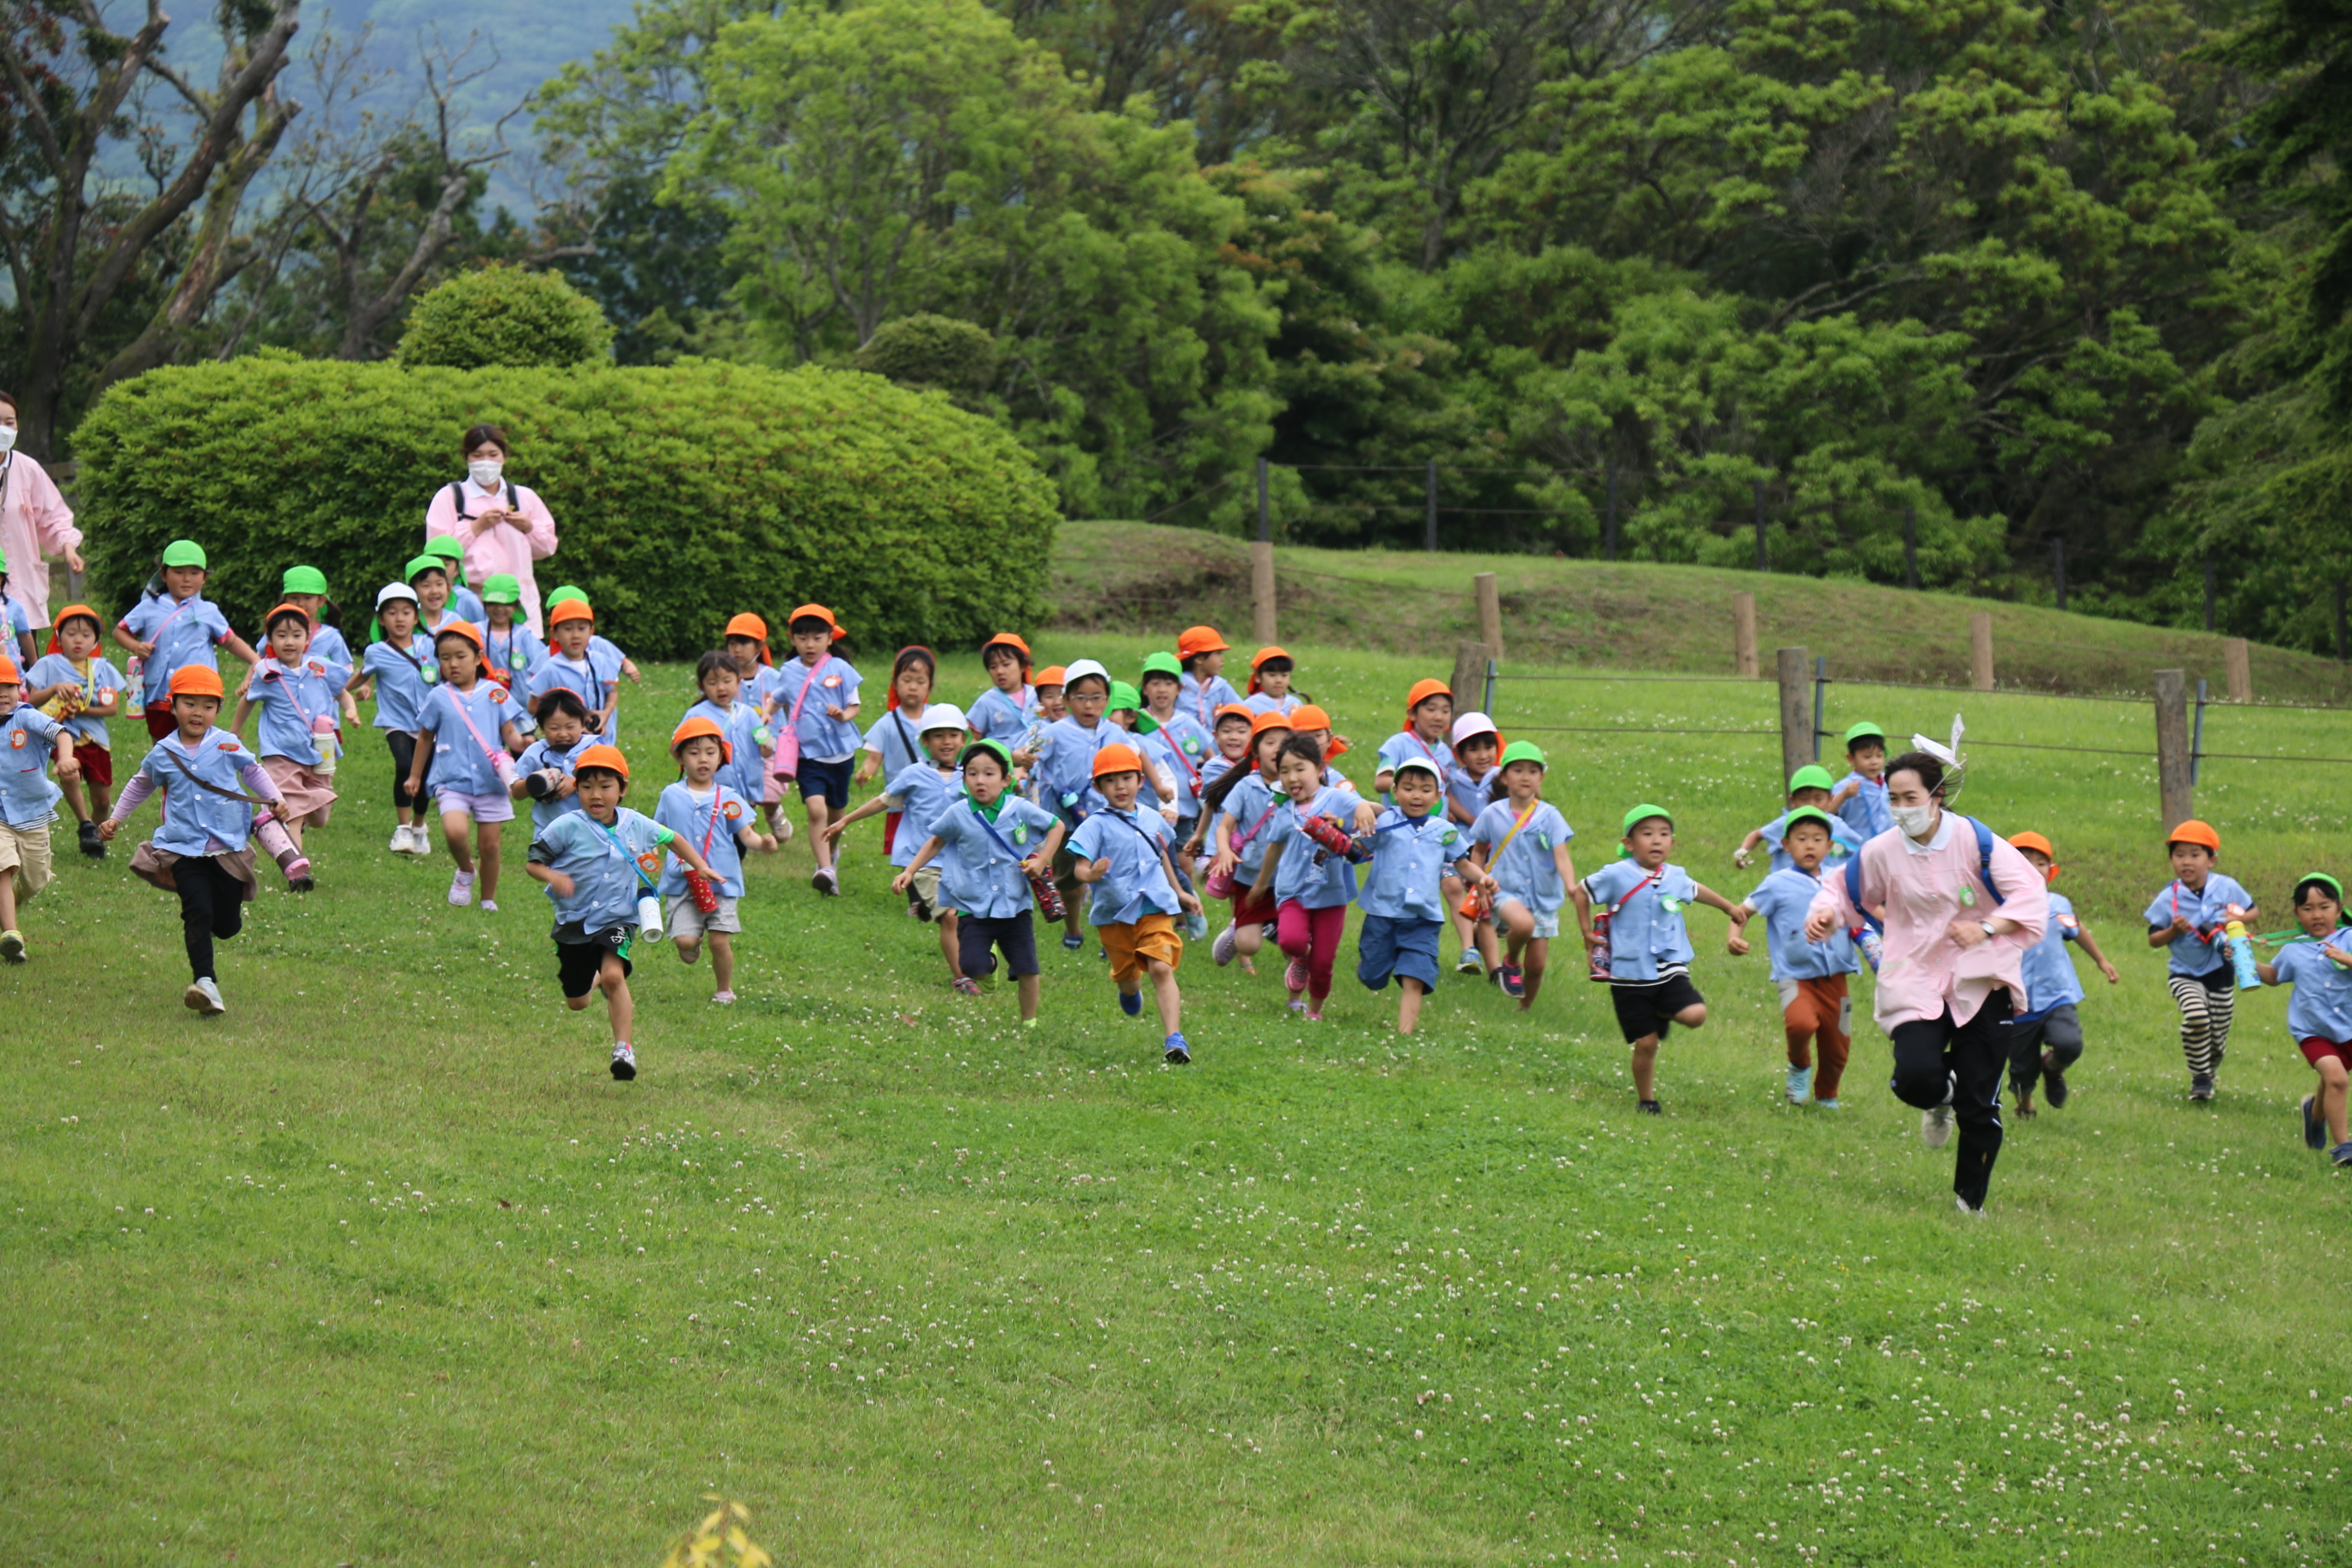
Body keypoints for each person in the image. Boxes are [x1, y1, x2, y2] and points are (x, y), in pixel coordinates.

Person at [1804, 750, 2048, 1215]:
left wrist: (1988, 927)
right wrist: (1825, 914)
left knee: (1980, 1103)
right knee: (1914, 1079)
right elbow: (1841, 888)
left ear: (1936, 797)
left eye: (1910, 797)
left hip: (1982, 979)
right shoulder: (1882, 851)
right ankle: (1940, 1096)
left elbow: (2030, 893)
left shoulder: (1977, 843)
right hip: (1914, 975)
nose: (1901, 808)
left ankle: (1968, 1204)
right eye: (1893, 799)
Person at [524, 744, 719, 1081]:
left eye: (605, 786)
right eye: (586, 787)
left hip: (619, 917)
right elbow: (533, 863)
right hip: (574, 921)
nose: (595, 795)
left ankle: (623, 1051)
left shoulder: (636, 824)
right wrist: (553, 875)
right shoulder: (566, 826)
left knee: (615, 975)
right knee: (578, 1002)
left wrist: (700, 865)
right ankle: (593, 976)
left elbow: (672, 838)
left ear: (622, 789)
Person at [99, 666, 285, 1014]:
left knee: (226, 926)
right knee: (196, 911)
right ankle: (205, 983)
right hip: (182, 848)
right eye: (189, 703)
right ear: (172, 706)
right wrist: (115, 818)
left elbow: (252, 770)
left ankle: (218, 932)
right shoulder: (164, 752)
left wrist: (275, 797)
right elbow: (141, 783)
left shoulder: (227, 743)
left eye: (207, 705)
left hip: (226, 848)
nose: (197, 712)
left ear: (217, 709)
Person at [1583, 803, 1745, 1113]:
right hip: (1628, 973)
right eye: (1647, 834)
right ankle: (1647, 1100)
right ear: (1628, 844)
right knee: (1646, 1045)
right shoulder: (1616, 875)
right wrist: (1585, 932)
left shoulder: (1675, 876)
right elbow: (1581, 892)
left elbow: (1696, 890)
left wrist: (1728, 907)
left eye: (1664, 834)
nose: (1656, 840)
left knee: (1696, 1014)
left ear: (1673, 842)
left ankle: (1662, 1008)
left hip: (1669, 964)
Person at [898, 738, 1067, 1025]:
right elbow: (937, 840)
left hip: (1015, 905)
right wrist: (910, 871)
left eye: (989, 774)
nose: (980, 780)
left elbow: (1056, 826)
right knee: (970, 966)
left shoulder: (1020, 809)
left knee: (1028, 968)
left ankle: (1029, 1021)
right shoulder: (959, 813)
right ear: (964, 780)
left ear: (1006, 780)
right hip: (972, 905)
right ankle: (991, 964)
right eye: (972, 773)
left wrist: (1042, 860)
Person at [1068, 741, 1201, 1061]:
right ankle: (1129, 988)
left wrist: (1181, 893)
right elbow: (1079, 868)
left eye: (1126, 778)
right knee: (1129, 980)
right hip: (1115, 914)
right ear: (1099, 787)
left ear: (1140, 781)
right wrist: (1091, 874)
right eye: (1110, 781)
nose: (1120, 786)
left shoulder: (1154, 819)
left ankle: (1175, 1039)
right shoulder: (1094, 825)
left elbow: (1162, 857)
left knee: (1161, 967)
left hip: (1155, 905)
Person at [829, 704, 974, 991]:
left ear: (964, 739)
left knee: (969, 919)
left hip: (964, 861)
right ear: (925, 742)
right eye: (938, 736)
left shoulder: (972, 775)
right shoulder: (914, 774)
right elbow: (882, 801)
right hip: (923, 861)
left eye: (953, 735)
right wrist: (845, 820)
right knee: (949, 916)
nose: (946, 741)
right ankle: (962, 977)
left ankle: (973, 962)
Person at [1730, 806, 1858, 1108]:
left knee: (1838, 1046)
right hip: (1795, 975)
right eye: (1801, 839)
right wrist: (1734, 937)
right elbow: (1742, 912)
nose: (1809, 845)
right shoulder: (1777, 883)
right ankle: (1799, 1066)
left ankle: (1827, 1095)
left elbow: (1862, 910)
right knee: (1800, 1024)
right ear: (1786, 845)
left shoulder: (1839, 879)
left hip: (1836, 977)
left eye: (1817, 839)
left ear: (1830, 846)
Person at [1246, 733, 1374, 1020]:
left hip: (1331, 895)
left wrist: (1364, 806)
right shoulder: (1285, 811)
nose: (1292, 777)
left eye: (1300, 768)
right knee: (1291, 940)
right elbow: (1274, 847)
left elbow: (1375, 811)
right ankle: (1299, 958)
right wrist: (1260, 884)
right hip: (1293, 891)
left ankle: (1314, 1011)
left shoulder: (1337, 798)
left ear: (1319, 769)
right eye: (1284, 771)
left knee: (1324, 961)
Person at [656, 715, 778, 1006]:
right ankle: (690, 941)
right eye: (694, 752)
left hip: (722, 881)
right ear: (681, 757)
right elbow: (658, 834)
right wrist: (645, 855)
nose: (703, 759)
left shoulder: (729, 797)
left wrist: (763, 843)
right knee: (685, 944)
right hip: (682, 880)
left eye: (710, 752)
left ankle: (724, 990)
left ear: (721, 756)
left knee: (719, 940)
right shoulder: (671, 795)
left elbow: (746, 835)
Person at [406, 621, 526, 911]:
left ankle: (487, 900)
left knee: (490, 846)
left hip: (490, 781)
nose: (453, 664)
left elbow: (509, 733)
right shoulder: (438, 697)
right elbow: (424, 737)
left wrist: (525, 744)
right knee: (455, 832)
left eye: (460, 656)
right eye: (445, 658)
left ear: (477, 656)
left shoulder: (495, 692)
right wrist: (415, 776)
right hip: (451, 777)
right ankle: (465, 870)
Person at [1357, 756, 1482, 1033]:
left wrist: (1483, 878)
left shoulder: (1444, 831)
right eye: (1409, 788)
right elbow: (1361, 848)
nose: (1417, 796)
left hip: (1423, 918)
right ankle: (1376, 968)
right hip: (1383, 914)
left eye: (1426, 790)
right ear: (1395, 792)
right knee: (1372, 976)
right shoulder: (1386, 821)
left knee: (1415, 975)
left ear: (1438, 795)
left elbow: (1463, 865)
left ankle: (1404, 1033)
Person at [2004, 830, 2118, 1117]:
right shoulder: (1997, 908)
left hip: (2057, 994)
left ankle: (2052, 1068)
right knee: (2021, 1069)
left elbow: (2077, 931)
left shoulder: (2058, 904)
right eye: (2023, 861)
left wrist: (2101, 960)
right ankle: (2024, 1103)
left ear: (2050, 872)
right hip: (2018, 1002)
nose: (2032, 868)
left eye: (2040, 863)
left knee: (2069, 1043)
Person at [2143, 818, 2257, 1102]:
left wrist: (2237, 918)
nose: (2186, 862)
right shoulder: (2169, 897)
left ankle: (2207, 1072)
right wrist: (2173, 930)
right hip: (2184, 972)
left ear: (2212, 860)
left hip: (2221, 970)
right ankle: (2200, 1078)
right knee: (2196, 1017)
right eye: (2179, 855)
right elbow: (2153, 939)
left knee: (2217, 1039)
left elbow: (2253, 911)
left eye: (2195, 855)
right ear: (2171, 860)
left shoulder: (2227, 887)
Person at [230, 603, 348, 863]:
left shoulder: (318, 665)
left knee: (320, 817)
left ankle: (270, 823)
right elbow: (247, 701)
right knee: (292, 810)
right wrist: (234, 733)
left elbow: (341, 689)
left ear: (307, 638)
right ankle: (296, 866)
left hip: (320, 749)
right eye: (281, 635)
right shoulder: (267, 673)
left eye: (296, 635)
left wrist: (350, 709)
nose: (289, 641)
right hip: (281, 751)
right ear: (270, 639)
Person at [1469, 741, 1580, 1006]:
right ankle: (1511, 961)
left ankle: (1524, 1009)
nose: (1525, 777)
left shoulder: (1551, 816)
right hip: (1504, 889)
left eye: (1532, 771)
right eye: (1517, 770)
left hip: (1542, 897)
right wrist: (1480, 881)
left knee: (1538, 965)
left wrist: (1571, 885)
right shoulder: (1492, 814)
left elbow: (1561, 856)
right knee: (1523, 925)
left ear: (1541, 777)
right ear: (1504, 777)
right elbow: (1478, 851)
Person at [113, 540, 259, 740]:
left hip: (198, 693)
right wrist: (136, 646)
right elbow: (120, 631)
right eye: (179, 572)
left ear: (204, 578)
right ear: (164, 575)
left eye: (194, 573)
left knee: (197, 742)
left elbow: (230, 640)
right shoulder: (149, 607)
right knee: (162, 744)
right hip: (159, 693)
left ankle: (193, 771)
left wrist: (255, 660)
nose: (186, 579)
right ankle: (164, 772)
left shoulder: (208, 611)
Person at [424, 422, 558, 634]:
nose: (485, 462)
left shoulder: (524, 497)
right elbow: (436, 553)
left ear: (504, 456)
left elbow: (548, 546)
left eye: (493, 454)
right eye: (477, 455)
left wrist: (528, 527)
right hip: (468, 602)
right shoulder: (451, 497)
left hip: (518, 602)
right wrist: (475, 527)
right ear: (467, 458)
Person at [766, 603, 862, 896]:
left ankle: (830, 855)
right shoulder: (789, 671)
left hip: (842, 754)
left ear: (830, 639)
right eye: (803, 637)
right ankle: (825, 870)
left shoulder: (841, 668)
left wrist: (843, 715)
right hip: (808, 754)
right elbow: (779, 696)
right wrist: (766, 713)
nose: (810, 644)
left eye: (817, 637)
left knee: (837, 815)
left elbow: (854, 705)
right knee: (816, 809)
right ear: (793, 639)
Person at [2256, 873, 2352, 1166]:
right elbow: (2273, 977)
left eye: (2324, 906)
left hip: (2348, 1027)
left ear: (2338, 908)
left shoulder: (2349, 938)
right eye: (2307, 908)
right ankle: (2344, 1147)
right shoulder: (2293, 949)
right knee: (2336, 1078)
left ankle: (2315, 1113)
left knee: (2331, 1080)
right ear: (2297, 914)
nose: (2317, 914)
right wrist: (2242, 960)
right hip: (2312, 1030)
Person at [1032, 658, 1118, 946]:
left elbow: (1135, 761)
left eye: (1096, 698)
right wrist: (1021, 763)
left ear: (1107, 699)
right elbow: (1027, 755)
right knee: (1069, 882)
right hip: (1066, 822)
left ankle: (1113, 937)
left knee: (1112, 879)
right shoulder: (1054, 732)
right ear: (1067, 699)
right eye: (1081, 698)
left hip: (1107, 818)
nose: (1089, 705)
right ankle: (1072, 927)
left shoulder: (1114, 733)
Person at [27, 603, 124, 858]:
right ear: (58, 637)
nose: (78, 640)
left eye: (86, 635)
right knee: (69, 774)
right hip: (62, 734)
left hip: (96, 739)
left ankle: (95, 836)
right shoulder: (48, 664)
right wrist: (54, 689)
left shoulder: (102, 668)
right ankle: (84, 823)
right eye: (71, 633)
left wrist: (79, 710)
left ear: (95, 640)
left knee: (102, 800)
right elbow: (31, 700)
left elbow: (112, 707)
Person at [1201, 710, 1292, 974]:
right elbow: (1224, 826)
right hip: (1250, 877)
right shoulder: (1246, 786)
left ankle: (1297, 972)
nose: (1277, 750)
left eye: (1284, 744)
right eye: (1270, 742)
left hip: (1288, 877)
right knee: (1249, 945)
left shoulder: (1299, 786)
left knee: (1296, 941)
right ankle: (1245, 928)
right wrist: (1224, 850)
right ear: (1255, 749)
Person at [0, 653, 77, 961]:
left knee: (34, 880)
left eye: (7, 687)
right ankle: (11, 934)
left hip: (32, 815)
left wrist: (67, 757)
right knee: (3, 866)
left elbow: (60, 733)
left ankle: (6, 911)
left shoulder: (26, 717)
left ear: (18, 690)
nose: (1, 694)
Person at [352, 582, 437, 854]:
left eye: (405, 612)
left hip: (429, 724)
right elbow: (362, 674)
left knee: (423, 777)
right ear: (381, 618)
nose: (399, 618)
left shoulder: (433, 645)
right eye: (392, 613)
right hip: (396, 722)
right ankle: (402, 829)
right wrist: (343, 691)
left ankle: (419, 827)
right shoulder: (377, 651)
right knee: (404, 766)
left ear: (416, 616)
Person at [0, 389, 85, 633]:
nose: (4, 429)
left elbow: (53, 517)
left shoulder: (28, 469)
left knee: (23, 660)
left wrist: (69, 549)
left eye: (9, 422)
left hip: (20, 586)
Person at [854, 646, 938, 854]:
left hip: (933, 800)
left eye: (920, 682)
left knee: (934, 849)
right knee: (905, 852)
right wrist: (865, 773)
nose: (913, 687)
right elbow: (874, 758)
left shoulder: (936, 718)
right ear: (895, 684)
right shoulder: (887, 723)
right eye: (907, 680)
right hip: (901, 802)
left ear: (930, 686)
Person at [683, 651, 774, 827]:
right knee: (715, 826)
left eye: (727, 681)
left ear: (738, 681)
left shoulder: (748, 713)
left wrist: (767, 746)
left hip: (746, 782)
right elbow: (678, 742)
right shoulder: (696, 715)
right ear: (701, 685)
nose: (721, 688)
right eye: (712, 683)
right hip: (713, 783)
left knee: (744, 826)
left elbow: (763, 736)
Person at [1446, 712, 1503, 975]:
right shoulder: (1455, 780)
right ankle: (1472, 951)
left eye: (1489, 747)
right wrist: (1470, 819)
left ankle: (1480, 938)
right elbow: (1445, 796)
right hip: (1462, 849)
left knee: (1491, 906)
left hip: (1496, 851)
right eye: (1474, 749)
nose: (1483, 755)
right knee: (1458, 887)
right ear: (1460, 754)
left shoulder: (1502, 776)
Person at [526, 596, 624, 745]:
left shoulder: (599, 660)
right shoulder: (550, 668)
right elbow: (533, 706)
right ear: (555, 634)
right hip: (567, 746)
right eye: (568, 629)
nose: (575, 635)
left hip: (601, 741)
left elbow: (611, 692)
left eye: (582, 628)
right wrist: (565, 722)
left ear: (591, 632)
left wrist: (606, 713)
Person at [1735, 765, 1863, 873]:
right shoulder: (1787, 823)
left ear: (1830, 799)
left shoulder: (1838, 827)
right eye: (1804, 799)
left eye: (1818, 799)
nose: (1811, 804)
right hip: (1788, 890)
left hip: (1826, 895)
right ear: (1793, 801)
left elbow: (1861, 851)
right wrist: (1742, 852)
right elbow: (1757, 835)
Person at [511, 689, 596, 834]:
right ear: (542, 728)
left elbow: (610, 783)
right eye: (554, 728)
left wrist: (576, 783)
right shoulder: (536, 752)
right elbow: (516, 793)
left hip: (591, 831)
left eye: (570, 727)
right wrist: (534, 782)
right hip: (548, 831)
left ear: (583, 725)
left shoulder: (594, 748)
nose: (563, 734)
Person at [1371, 679, 1455, 798]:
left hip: (1437, 816)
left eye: (1445, 711)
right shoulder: (1397, 744)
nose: (1439, 717)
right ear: (1412, 714)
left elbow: (1449, 791)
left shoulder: (1446, 753)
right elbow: (1380, 782)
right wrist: (1412, 785)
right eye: (1431, 709)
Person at [480, 574, 545, 698]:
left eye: (506, 604)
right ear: (484, 604)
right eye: (493, 603)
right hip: (483, 707)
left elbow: (542, 670)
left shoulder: (525, 637)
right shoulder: (475, 633)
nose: (499, 608)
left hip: (522, 711)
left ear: (516, 605)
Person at [1827, 721, 1894, 841]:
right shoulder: (1846, 786)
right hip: (1858, 848)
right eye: (1867, 757)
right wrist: (1844, 796)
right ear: (1851, 759)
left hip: (1890, 846)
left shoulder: (1891, 782)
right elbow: (1826, 814)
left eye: (1879, 756)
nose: (1874, 762)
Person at [968, 633, 1038, 746]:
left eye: (1006, 664)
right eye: (993, 667)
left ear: (1023, 666)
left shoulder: (1036, 696)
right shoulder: (986, 702)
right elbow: (974, 740)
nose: (999, 671)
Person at [1176, 626, 1241, 727]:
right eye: (1218, 654)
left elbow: (1242, 712)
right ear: (1200, 659)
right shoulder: (1177, 685)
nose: (1222, 659)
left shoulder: (1220, 687)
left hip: (1216, 742)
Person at [420, 534, 487, 624]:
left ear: (457, 569)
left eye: (446, 564)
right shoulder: (419, 595)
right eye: (434, 564)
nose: (440, 568)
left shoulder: (467, 598)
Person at [1244, 646, 1302, 716]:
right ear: (1258, 677)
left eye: (1284, 675)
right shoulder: (1250, 706)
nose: (1279, 680)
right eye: (1272, 675)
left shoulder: (1295, 703)